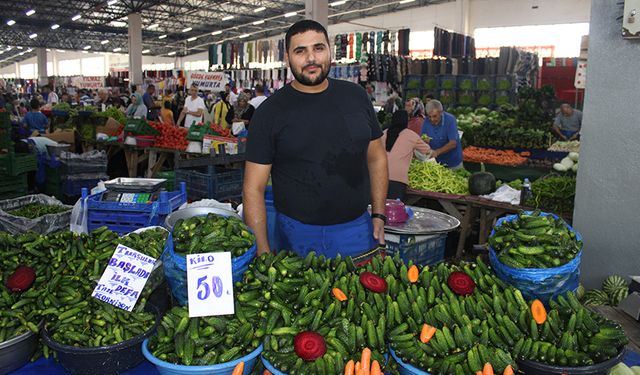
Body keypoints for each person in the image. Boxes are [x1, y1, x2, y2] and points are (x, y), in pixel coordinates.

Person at [244, 19, 388, 258]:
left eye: (318, 48)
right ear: (288, 58)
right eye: (300, 51)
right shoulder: (270, 112)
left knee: (359, 294)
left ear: (329, 51)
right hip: (296, 233)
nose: (311, 58)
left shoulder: (356, 96)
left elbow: (376, 158)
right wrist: (262, 251)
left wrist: (379, 214)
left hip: (358, 229)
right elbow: (253, 188)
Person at [381, 110, 431, 200]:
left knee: (378, 208)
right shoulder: (411, 135)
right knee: (394, 209)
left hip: (379, 177)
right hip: (398, 180)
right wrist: (425, 142)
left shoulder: (383, 133)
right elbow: (427, 150)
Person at [421, 99, 463, 169]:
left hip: (452, 162)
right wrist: (425, 142)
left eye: (434, 116)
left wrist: (437, 152)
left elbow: (453, 143)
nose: (432, 119)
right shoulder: (426, 121)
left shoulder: (450, 120)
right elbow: (423, 138)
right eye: (429, 116)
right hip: (436, 163)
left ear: (441, 112)